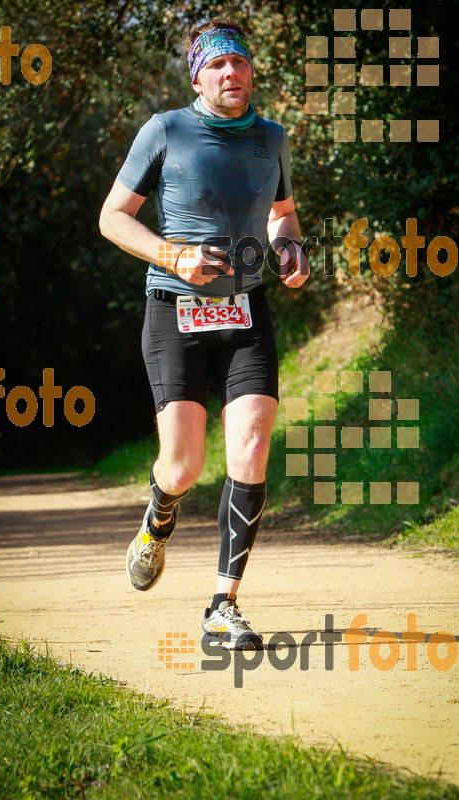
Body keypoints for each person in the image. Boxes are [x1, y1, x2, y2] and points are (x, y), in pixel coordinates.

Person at [99, 18, 309, 650]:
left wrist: (292, 248)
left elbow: (283, 216)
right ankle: (159, 515)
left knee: (248, 446)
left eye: (239, 63)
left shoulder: (272, 139)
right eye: (218, 65)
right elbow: (112, 218)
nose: (231, 74)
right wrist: (175, 257)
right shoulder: (165, 130)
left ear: (251, 71)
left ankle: (223, 605)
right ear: (198, 75)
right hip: (175, 311)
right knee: (185, 465)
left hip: (246, 311)